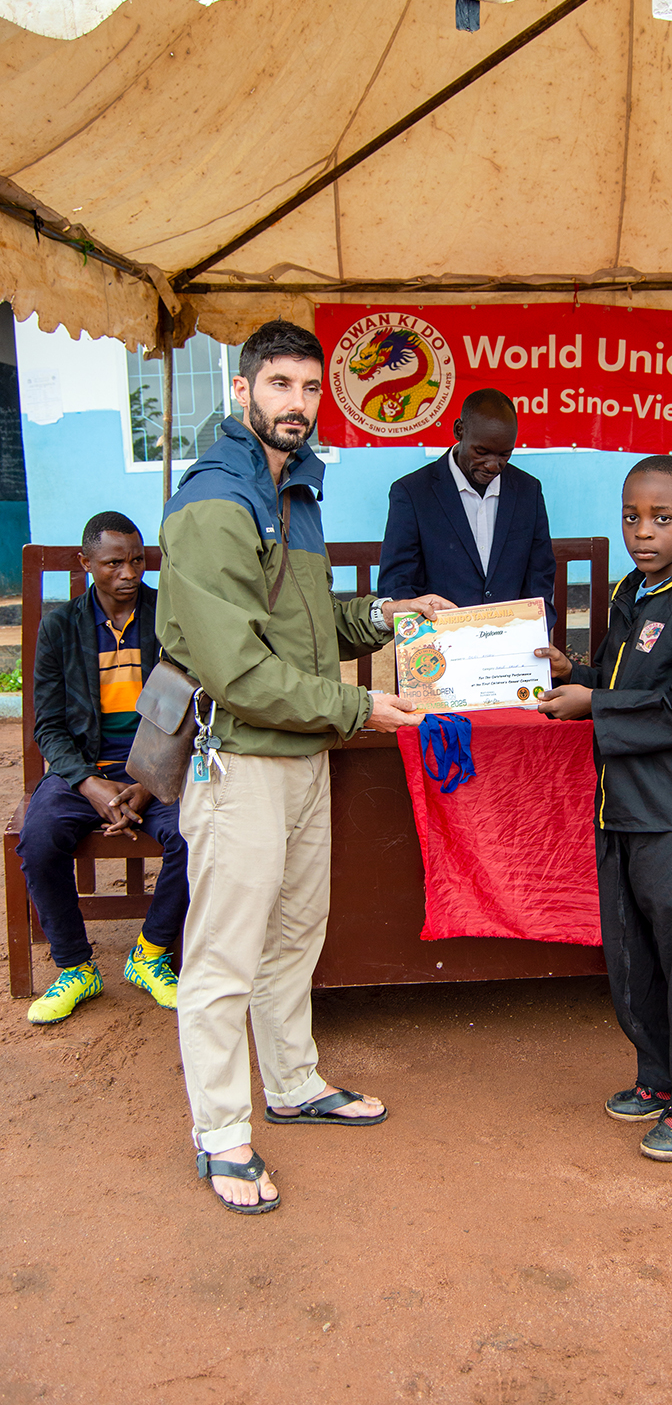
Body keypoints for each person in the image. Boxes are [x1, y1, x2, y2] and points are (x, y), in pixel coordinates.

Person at [157, 319, 452, 1216]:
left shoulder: (295, 487)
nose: (297, 403)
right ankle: (221, 1133)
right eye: (279, 384)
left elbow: (305, 621)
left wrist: (388, 616)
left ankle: (291, 1084)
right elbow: (239, 669)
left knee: (294, 934)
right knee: (224, 957)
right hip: (241, 757)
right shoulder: (216, 496)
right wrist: (362, 708)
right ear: (242, 391)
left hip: (300, 753)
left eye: (310, 387)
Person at [536, 454, 672, 1163]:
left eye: (661, 518)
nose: (643, 532)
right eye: (631, 517)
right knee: (636, 956)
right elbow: (625, 682)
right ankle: (660, 1076)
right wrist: (577, 674)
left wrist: (595, 704)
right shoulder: (632, 590)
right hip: (622, 805)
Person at [17, 512, 188, 1024]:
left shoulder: (167, 619)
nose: (128, 573)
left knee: (197, 834)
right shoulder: (61, 627)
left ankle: (150, 954)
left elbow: (189, 709)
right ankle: (76, 967)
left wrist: (146, 782)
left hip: (155, 767)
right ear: (86, 563)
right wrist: (90, 784)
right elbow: (49, 726)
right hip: (82, 770)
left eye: (137, 560)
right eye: (114, 563)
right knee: (39, 839)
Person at [377, 388, 557, 626]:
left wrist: (534, 630)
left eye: (505, 454)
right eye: (481, 452)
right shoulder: (412, 493)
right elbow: (398, 585)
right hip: (438, 642)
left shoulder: (528, 490)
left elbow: (540, 575)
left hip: (511, 640)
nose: (493, 465)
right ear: (459, 430)